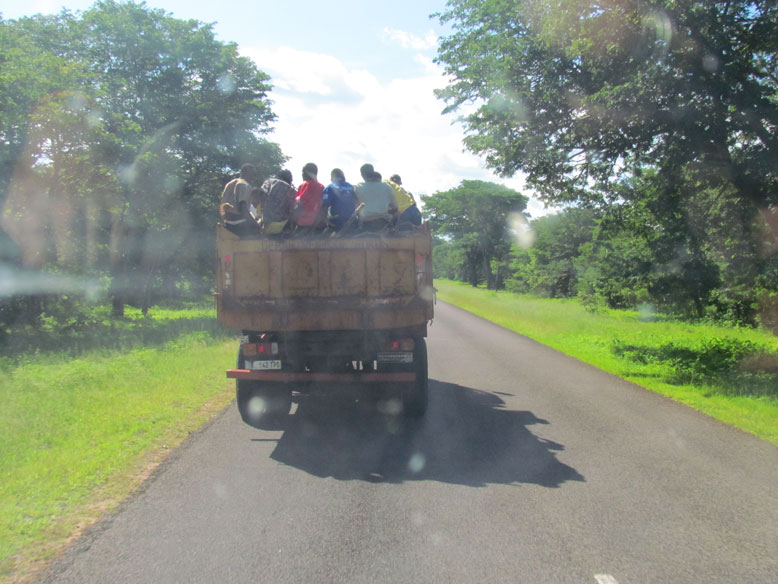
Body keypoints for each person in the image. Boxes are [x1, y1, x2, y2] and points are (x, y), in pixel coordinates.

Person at [220, 163, 260, 237]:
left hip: (228, 223)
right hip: (240, 224)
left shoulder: (230, 183)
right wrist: (255, 224)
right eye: (253, 174)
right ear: (245, 172)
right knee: (261, 232)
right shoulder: (245, 185)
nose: (254, 177)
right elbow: (243, 207)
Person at [354, 163, 397, 230]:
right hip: (384, 224)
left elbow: (355, 207)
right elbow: (395, 208)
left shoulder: (358, 187)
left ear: (362, 175)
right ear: (373, 171)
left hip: (365, 225)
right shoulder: (387, 187)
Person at [259, 169, 295, 235]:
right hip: (282, 226)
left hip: (267, 223)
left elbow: (262, 195)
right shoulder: (291, 190)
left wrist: (263, 214)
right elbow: (292, 211)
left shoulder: (269, 181)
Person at [292, 162, 325, 232]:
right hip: (317, 222)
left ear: (307, 173)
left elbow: (299, 202)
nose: (302, 174)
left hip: (303, 223)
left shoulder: (305, 185)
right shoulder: (322, 186)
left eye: (303, 172)